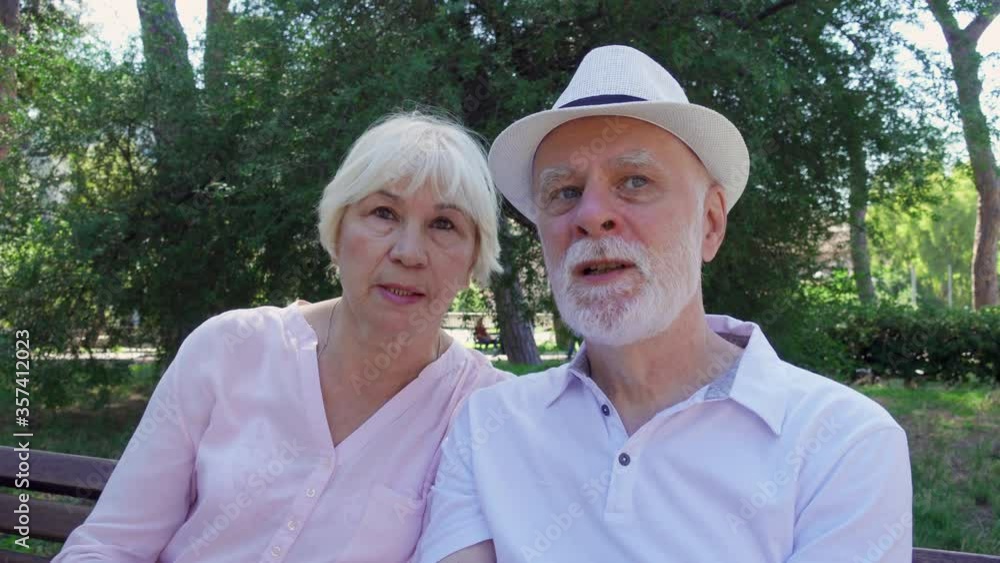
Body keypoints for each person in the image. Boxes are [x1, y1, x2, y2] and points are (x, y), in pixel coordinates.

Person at [416, 46, 912, 562]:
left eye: (635, 181)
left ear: (710, 224)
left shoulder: (841, 443)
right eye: (564, 191)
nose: (591, 216)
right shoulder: (489, 427)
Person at [53, 110, 509, 562]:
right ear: (337, 230)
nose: (409, 253)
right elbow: (110, 546)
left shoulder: (485, 412)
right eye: (384, 213)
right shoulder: (228, 349)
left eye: (444, 224)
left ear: (473, 259)